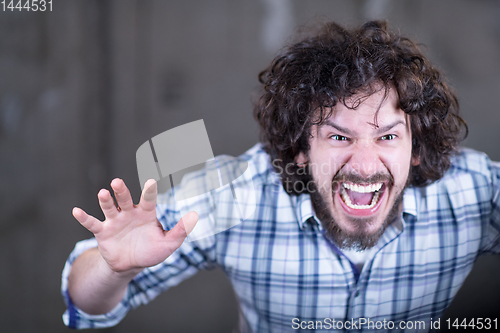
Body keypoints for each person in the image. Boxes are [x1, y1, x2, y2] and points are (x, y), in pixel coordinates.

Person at [61, 21, 500, 332]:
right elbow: (86, 303)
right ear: (301, 149)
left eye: (387, 136)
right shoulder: (235, 193)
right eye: (339, 137)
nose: (365, 165)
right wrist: (113, 268)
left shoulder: (474, 191)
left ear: (416, 148)